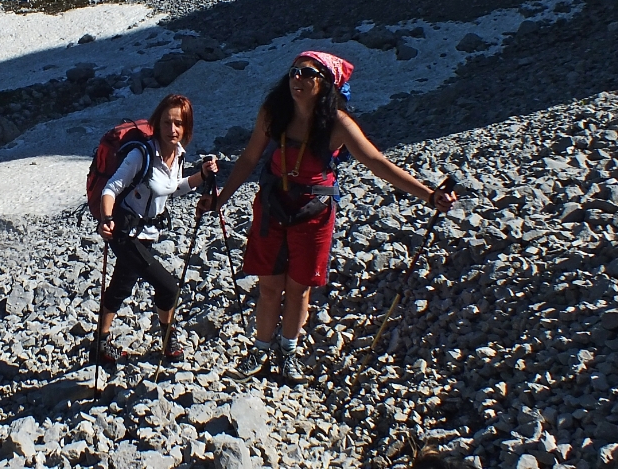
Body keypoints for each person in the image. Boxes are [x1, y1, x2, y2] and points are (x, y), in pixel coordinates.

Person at [199, 51, 456, 383]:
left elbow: (377, 163)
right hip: (276, 205)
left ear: (325, 83)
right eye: (294, 72)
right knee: (270, 286)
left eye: (307, 74)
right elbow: (248, 159)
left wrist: (428, 195)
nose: (297, 79)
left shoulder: (338, 124)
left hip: (312, 212)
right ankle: (262, 350)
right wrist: (222, 199)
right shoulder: (274, 113)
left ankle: (285, 353)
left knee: (298, 287)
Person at [95, 93, 218, 364]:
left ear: (186, 127)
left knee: (122, 284)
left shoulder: (177, 156)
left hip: (146, 233)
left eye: (178, 123)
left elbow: (174, 189)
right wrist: (105, 219)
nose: (172, 129)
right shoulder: (142, 155)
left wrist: (203, 176)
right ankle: (167, 340)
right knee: (169, 287)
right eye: (166, 123)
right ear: (157, 124)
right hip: (124, 232)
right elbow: (112, 188)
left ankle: (100, 344)